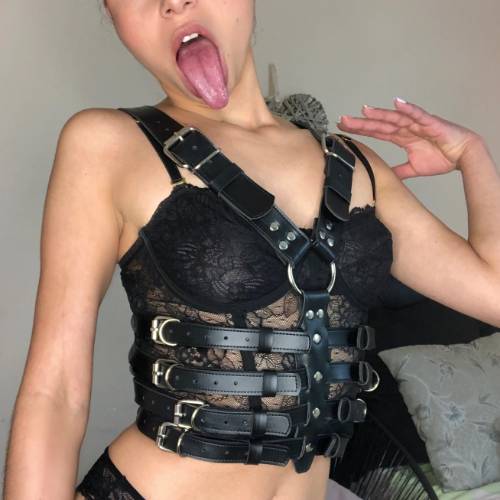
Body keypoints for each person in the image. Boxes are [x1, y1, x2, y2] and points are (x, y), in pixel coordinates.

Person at [4, 1, 500, 499]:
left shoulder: (359, 168)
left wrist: (472, 156)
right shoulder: (106, 144)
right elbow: (55, 392)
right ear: (117, 21)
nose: (172, 2)